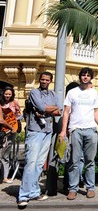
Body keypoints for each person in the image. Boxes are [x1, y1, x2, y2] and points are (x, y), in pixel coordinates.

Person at [17, 72, 60, 208]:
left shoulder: (53, 95)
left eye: (47, 80)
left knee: (40, 164)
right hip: (35, 131)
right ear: (39, 80)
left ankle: (34, 192)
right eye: (42, 79)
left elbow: (59, 111)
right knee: (31, 163)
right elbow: (42, 107)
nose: (44, 81)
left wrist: (46, 109)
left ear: (50, 81)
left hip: (48, 131)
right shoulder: (34, 92)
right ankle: (23, 195)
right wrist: (47, 108)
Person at [59, 67, 98, 200]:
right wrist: (63, 130)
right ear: (80, 77)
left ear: (90, 78)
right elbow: (66, 112)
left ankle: (90, 188)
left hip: (91, 129)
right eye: (83, 75)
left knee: (90, 161)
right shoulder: (72, 92)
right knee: (74, 161)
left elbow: (95, 112)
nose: (85, 77)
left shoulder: (94, 93)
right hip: (76, 129)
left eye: (88, 75)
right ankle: (73, 188)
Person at [1, 86, 21, 184]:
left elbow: (19, 114)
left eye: (9, 94)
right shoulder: (0, 103)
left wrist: (14, 124)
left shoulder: (14, 103)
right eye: (6, 94)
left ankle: (5, 176)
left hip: (10, 130)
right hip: (1, 130)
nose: (7, 96)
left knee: (5, 153)